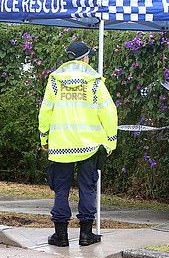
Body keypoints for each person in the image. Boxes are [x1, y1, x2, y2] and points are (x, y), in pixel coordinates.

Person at [38, 41, 118, 247]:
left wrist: (44, 138)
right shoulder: (94, 81)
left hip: (61, 145)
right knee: (87, 188)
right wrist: (110, 141)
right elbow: (108, 112)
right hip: (89, 145)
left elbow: (45, 111)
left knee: (61, 190)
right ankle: (85, 234)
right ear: (84, 58)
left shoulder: (55, 80)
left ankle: (61, 235)